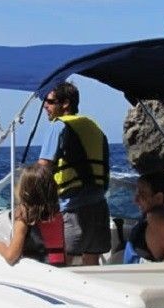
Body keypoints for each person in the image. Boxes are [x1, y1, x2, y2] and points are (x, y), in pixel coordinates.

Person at [37, 81, 110, 266]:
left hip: (72, 208)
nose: (45, 105)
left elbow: (42, 168)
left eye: (50, 101)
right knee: (92, 262)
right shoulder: (95, 128)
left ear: (65, 103)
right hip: (99, 206)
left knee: (63, 264)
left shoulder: (58, 127)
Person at [0, 164, 65, 266]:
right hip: (59, 267)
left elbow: (11, 257)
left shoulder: (24, 218)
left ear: (25, 191)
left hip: (38, 270)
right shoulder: (58, 216)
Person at [123, 172, 164, 263]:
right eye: (137, 194)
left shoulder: (156, 219)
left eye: (142, 194)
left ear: (158, 198)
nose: (135, 200)